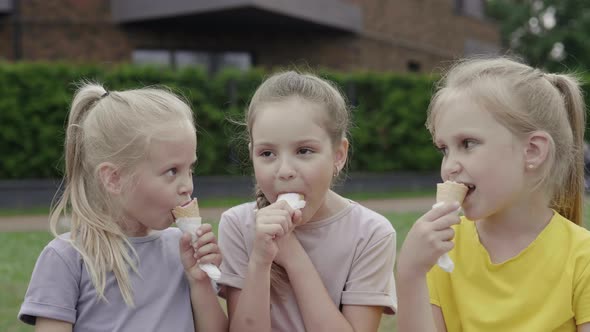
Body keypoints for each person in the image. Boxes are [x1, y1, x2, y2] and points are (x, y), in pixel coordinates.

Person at [396, 57, 590, 331]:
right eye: (444, 149)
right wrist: (411, 275)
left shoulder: (582, 257)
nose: (449, 166)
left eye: (468, 143)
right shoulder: (443, 250)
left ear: (532, 151)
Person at [18, 83, 228, 332]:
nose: (187, 186)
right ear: (114, 179)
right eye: (172, 171)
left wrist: (199, 280)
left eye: (190, 169)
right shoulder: (68, 259)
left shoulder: (181, 251)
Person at [217, 71, 397, 331]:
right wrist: (259, 260)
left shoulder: (371, 234)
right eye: (267, 153)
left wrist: (292, 255)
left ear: (338, 155)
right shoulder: (237, 226)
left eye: (304, 151)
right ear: (252, 155)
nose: (285, 170)